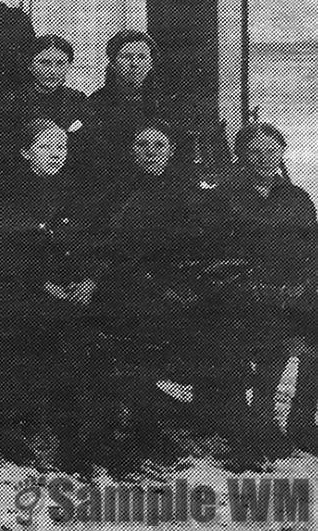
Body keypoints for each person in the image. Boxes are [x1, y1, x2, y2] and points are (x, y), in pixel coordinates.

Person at [87, 119, 284, 474]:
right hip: (133, 292)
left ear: (171, 150)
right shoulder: (114, 194)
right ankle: (145, 435)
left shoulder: (189, 192)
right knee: (139, 345)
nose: (151, 153)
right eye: (143, 145)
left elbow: (207, 244)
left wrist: (190, 286)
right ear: (132, 151)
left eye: (159, 145)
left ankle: (236, 435)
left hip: (181, 292)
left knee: (221, 340)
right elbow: (109, 251)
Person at [0, 119, 101, 473]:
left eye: (61, 148)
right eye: (46, 147)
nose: (55, 155)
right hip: (22, 287)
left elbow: (91, 243)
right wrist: (46, 286)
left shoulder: (77, 192)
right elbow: (9, 251)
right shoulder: (11, 194)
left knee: (81, 340)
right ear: (26, 153)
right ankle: (8, 427)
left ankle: (73, 437)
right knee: (35, 335)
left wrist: (89, 279)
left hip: (71, 288)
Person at [219, 123, 318, 452]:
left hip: (294, 292)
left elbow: (312, 248)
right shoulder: (226, 196)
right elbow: (220, 254)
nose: (264, 158)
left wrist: (305, 284)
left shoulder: (297, 197)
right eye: (255, 152)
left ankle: (302, 424)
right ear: (242, 156)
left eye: (271, 151)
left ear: (282, 153)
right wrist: (260, 288)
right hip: (247, 293)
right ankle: (259, 420)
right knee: (272, 334)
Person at [88, 30, 171, 185]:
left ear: (151, 63)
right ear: (113, 63)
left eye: (142, 57)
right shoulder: (95, 103)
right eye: (126, 57)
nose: (134, 63)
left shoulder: (167, 103)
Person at [12, 35, 98, 183]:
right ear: (30, 65)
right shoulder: (14, 101)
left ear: (69, 65)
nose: (53, 71)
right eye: (44, 63)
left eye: (60, 63)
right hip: (23, 181)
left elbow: (89, 146)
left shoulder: (77, 100)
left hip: (70, 181)